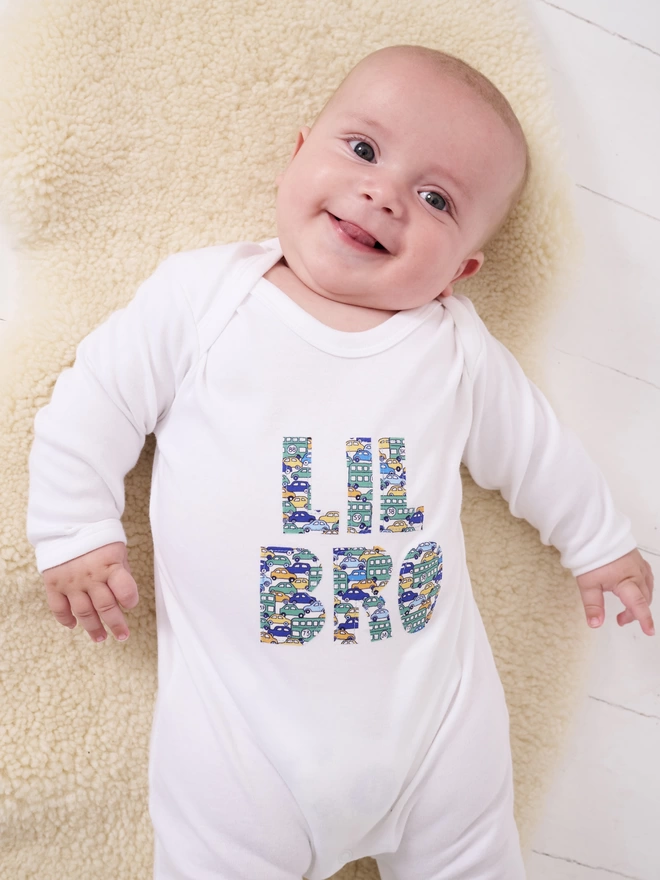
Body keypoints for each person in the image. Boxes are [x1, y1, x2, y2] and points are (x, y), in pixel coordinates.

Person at [26, 44, 654, 880]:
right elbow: (93, 399)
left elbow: (535, 449)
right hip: (242, 745)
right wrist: (75, 529)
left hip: (435, 732)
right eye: (362, 150)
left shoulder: (453, 346)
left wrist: (599, 541)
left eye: (435, 199)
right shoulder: (205, 298)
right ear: (297, 155)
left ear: (460, 269)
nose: (383, 195)